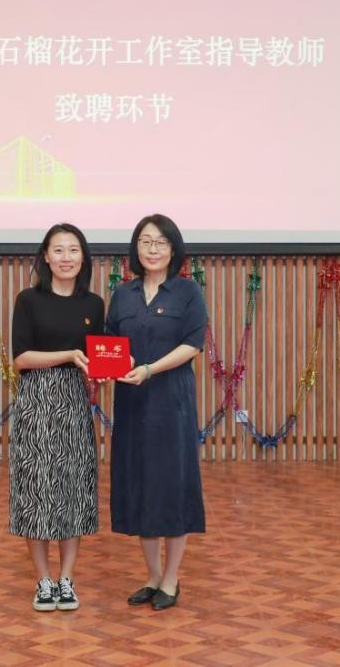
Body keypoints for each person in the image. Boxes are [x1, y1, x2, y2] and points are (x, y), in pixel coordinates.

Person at [106, 214, 207, 612]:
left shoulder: (187, 292)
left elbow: (192, 345)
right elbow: (110, 342)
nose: (152, 249)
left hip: (171, 402)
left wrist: (149, 368)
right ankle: (151, 577)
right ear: (136, 248)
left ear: (173, 249)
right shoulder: (123, 294)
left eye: (161, 242)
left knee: (171, 486)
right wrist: (113, 364)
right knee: (140, 484)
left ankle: (171, 578)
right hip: (132, 405)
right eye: (145, 241)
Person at [9, 223, 105, 613]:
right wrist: (68, 356)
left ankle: (66, 579)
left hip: (75, 403)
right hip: (36, 400)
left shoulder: (94, 304)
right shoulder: (28, 300)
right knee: (35, 491)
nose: (66, 257)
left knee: (72, 490)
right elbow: (21, 359)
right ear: (46, 257)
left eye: (73, 249)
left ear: (84, 257)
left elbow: (98, 357)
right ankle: (43, 581)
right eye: (59, 250)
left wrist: (100, 375)